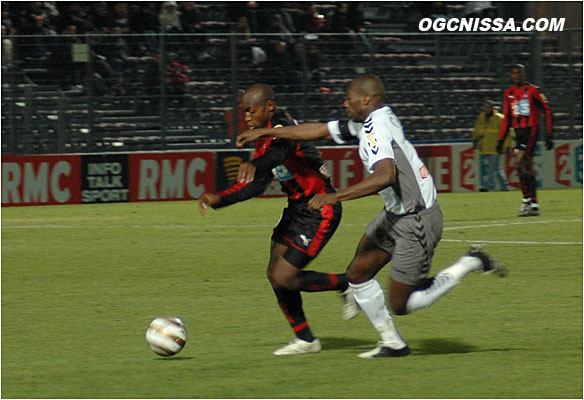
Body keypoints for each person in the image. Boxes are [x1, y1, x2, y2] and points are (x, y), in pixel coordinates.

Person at [237, 76, 506, 358]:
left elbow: (385, 176)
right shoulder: (369, 121)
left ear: (365, 100)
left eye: (348, 97)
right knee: (358, 273)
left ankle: (470, 262)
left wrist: (335, 196)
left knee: (404, 303)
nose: (344, 102)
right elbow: (317, 130)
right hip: (396, 213)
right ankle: (393, 343)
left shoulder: (375, 128)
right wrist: (266, 134)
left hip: (416, 217)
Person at [198, 83, 358, 356]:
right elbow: (256, 186)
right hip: (296, 210)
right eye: (244, 113)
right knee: (275, 275)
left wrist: (256, 164)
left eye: (251, 111)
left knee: (286, 276)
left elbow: (279, 153)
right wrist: (218, 199)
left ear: (269, 107)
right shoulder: (263, 139)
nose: (247, 117)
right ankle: (306, 340)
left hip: (319, 209)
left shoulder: (284, 127)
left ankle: (348, 283)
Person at [497, 64, 553, 217]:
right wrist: (501, 139)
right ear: (511, 76)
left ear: (524, 74)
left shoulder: (533, 91)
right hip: (518, 133)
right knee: (525, 167)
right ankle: (532, 203)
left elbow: (546, 109)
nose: (518, 75)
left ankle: (526, 201)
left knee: (519, 163)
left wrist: (548, 133)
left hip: (531, 131)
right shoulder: (509, 93)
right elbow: (507, 118)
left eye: (520, 73)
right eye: (515, 73)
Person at [472, 100, 512, 192]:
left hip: (495, 147)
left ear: (493, 108)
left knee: (492, 168)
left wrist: (506, 146)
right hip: (484, 147)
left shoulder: (500, 118)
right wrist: (475, 139)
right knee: (495, 168)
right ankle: (505, 187)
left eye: (488, 107)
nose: (486, 109)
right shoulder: (481, 118)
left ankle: (489, 187)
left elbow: (508, 133)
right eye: (485, 107)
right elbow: (477, 130)